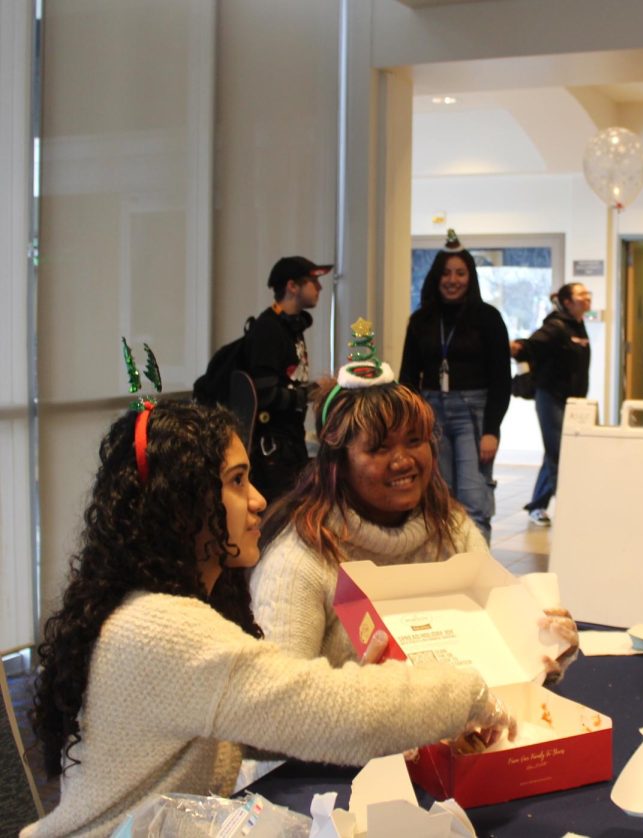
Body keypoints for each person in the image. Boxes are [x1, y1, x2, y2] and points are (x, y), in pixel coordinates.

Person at [24, 399, 515, 838]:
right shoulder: (161, 628)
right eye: (237, 482)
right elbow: (322, 712)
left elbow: (284, 710)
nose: (258, 500)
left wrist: (366, 686)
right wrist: (465, 694)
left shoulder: (173, 606)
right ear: (181, 504)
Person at [251, 350, 578, 679]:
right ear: (339, 463)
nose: (403, 460)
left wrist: (542, 651)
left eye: (415, 440)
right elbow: (278, 707)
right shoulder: (301, 559)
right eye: (379, 448)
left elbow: (502, 653)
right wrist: (362, 695)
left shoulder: (452, 531)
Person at [400, 231, 511, 542]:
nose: (453, 280)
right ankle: (448, 573)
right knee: (439, 501)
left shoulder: (488, 318)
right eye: (446, 273)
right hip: (431, 414)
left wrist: (492, 430)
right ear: (436, 277)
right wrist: (408, 426)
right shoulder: (421, 319)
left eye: (460, 273)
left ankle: (479, 576)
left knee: (474, 502)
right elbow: (408, 376)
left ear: (470, 277)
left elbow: (502, 379)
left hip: (472, 415)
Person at [244, 255, 331, 503]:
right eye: (313, 281)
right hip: (271, 450)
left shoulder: (291, 328)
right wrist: (313, 391)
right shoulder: (268, 329)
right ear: (292, 286)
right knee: (278, 516)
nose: (320, 288)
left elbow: (288, 382)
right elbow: (265, 394)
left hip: (290, 442)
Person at [510, 282, 592, 526]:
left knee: (554, 452)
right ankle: (569, 508)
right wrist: (514, 347)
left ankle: (537, 505)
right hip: (551, 398)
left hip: (573, 401)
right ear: (568, 302)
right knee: (559, 452)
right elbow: (529, 347)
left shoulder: (577, 324)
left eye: (587, 294)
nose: (587, 297)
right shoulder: (555, 327)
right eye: (581, 294)